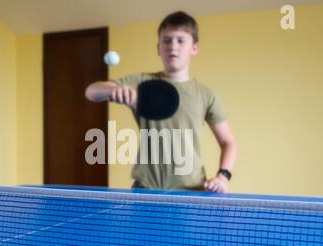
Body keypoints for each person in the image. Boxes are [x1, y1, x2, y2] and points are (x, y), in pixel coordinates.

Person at [85, 11, 237, 193]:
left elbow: (228, 141)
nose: (173, 46)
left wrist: (223, 176)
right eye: (166, 40)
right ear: (158, 48)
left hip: (192, 189)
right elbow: (91, 92)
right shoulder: (141, 83)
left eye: (181, 40)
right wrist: (113, 90)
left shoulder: (206, 95)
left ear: (194, 48)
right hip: (146, 189)